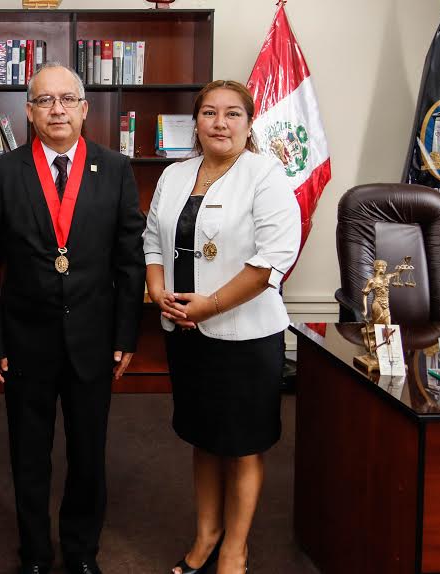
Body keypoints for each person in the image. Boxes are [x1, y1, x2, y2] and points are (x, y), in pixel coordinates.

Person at [0, 62, 145, 574]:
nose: (57, 109)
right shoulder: (3, 172)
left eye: (67, 99)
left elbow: (129, 260)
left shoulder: (114, 169)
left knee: (88, 453)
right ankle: (35, 554)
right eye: (45, 100)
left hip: (94, 338)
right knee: (29, 455)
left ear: (85, 109)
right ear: (29, 111)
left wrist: (125, 333)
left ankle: (81, 551)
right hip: (25, 340)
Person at [143, 80, 300, 574]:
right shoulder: (174, 174)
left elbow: (272, 259)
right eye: (209, 113)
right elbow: (151, 240)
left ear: (249, 123)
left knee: (243, 443)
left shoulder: (266, 174)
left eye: (233, 114)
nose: (219, 122)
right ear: (196, 122)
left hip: (244, 337)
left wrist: (207, 306)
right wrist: (157, 292)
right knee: (203, 437)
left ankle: (235, 548)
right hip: (186, 334)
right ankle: (206, 534)